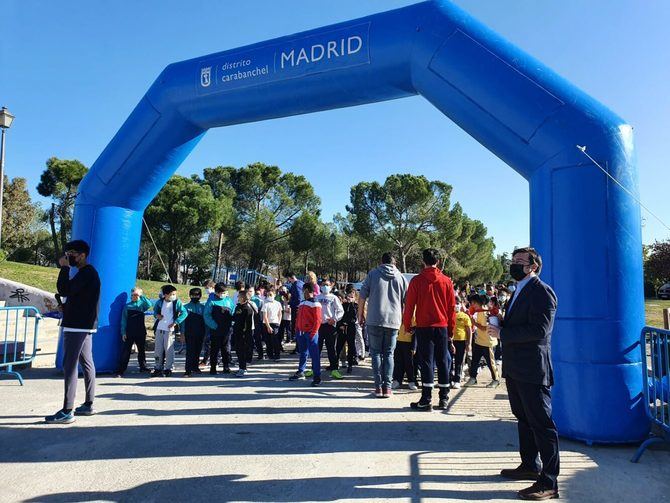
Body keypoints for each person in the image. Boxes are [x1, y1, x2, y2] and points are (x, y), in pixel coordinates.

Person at [487, 247, 560, 501]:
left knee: (542, 424)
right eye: (514, 260)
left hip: (532, 368)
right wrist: (499, 323)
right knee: (524, 419)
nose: (515, 264)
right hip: (516, 367)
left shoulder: (542, 292)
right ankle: (530, 465)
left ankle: (549, 482)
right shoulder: (517, 290)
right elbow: (520, 324)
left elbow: (540, 330)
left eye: (520, 261)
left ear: (534, 266)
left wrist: (503, 334)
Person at [46, 240, 101, 424]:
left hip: (77, 325)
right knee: (87, 363)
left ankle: (67, 410)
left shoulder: (86, 273)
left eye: (72, 253)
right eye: (67, 253)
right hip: (83, 323)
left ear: (82, 255)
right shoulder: (88, 274)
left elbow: (64, 289)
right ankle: (88, 404)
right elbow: (79, 297)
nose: (69, 257)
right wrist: (67, 307)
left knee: (69, 365)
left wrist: (64, 268)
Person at [402, 248, 456, 411]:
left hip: (424, 326)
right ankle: (444, 398)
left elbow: (409, 305)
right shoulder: (447, 281)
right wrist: (451, 330)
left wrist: (407, 325)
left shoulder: (417, 281)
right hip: (442, 326)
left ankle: (426, 399)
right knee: (443, 361)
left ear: (423, 261)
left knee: (426, 362)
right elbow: (451, 308)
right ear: (438, 261)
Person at [358, 252, 408, 398]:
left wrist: (360, 314)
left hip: (374, 318)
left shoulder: (373, 274)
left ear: (381, 261)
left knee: (375, 353)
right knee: (389, 353)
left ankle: (378, 387)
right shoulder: (401, 277)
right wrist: (405, 320)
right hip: (393, 321)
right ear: (395, 262)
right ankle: (388, 388)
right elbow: (408, 302)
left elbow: (362, 296)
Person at [289, 283, 323, 386]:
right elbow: (298, 318)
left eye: (303, 290)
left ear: (307, 290)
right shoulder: (302, 303)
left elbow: (318, 320)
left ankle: (317, 376)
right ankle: (301, 371)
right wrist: (296, 329)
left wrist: (313, 333)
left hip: (310, 333)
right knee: (303, 353)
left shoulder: (316, 303)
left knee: (314, 355)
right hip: (301, 332)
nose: (302, 292)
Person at [464, 294, 500, 388]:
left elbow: (485, 328)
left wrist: (474, 323)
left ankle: (496, 379)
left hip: (488, 342)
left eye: (473, 303)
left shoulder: (485, 312)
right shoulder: (479, 311)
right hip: (479, 341)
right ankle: (473, 378)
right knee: (475, 361)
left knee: (491, 362)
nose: (472, 305)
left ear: (478, 302)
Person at [152, 285, 188, 377]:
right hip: (160, 328)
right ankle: (157, 367)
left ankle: (168, 368)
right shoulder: (160, 302)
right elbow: (155, 311)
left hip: (170, 329)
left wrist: (176, 322)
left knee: (169, 349)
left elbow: (184, 313)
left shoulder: (177, 302)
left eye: (175, 294)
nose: (174, 296)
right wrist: (157, 315)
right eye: (172, 294)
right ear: (165, 295)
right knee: (158, 350)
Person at [116, 287, 152, 377]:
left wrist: (141, 296)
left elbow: (149, 304)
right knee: (126, 351)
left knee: (141, 350)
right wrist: (123, 332)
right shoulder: (127, 306)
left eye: (136, 295)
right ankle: (121, 370)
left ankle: (143, 366)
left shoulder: (142, 305)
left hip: (140, 331)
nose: (134, 296)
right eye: (132, 295)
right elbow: (123, 320)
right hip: (129, 331)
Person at [204, 282, 235, 375]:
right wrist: (214, 326)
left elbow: (233, 312)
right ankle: (213, 367)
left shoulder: (229, 300)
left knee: (226, 348)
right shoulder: (211, 301)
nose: (223, 294)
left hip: (227, 329)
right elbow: (206, 315)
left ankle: (226, 366)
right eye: (221, 293)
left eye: (224, 292)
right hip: (216, 329)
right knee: (215, 348)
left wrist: (232, 323)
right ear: (216, 292)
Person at [316, 279, 345, 379]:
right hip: (318, 326)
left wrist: (335, 319)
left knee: (331, 348)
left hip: (330, 326)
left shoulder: (334, 298)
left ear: (331, 287)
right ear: (320, 286)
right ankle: (314, 368)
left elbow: (340, 311)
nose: (325, 287)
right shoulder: (317, 297)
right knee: (316, 348)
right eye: (323, 285)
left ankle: (334, 369)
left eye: (327, 285)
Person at [182, 288, 206, 377]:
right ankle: (187, 370)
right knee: (190, 351)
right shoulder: (186, 307)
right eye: (192, 295)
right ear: (190, 296)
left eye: (197, 295)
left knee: (198, 350)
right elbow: (183, 322)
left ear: (200, 296)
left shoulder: (203, 307)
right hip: (189, 333)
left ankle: (195, 367)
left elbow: (205, 321)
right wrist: (182, 333)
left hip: (200, 332)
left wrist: (206, 333)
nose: (195, 297)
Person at [335, 286, 358, 375]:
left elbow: (354, 318)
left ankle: (350, 365)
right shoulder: (343, 305)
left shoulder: (355, 305)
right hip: (342, 328)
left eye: (352, 296)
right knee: (338, 347)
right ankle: (335, 364)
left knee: (351, 347)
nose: (350, 297)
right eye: (349, 295)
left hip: (351, 328)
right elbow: (339, 315)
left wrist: (352, 304)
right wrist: (340, 325)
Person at [232, 290, 255, 377]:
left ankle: (243, 369)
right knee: (238, 351)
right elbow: (234, 317)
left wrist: (245, 334)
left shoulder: (247, 309)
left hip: (243, 334)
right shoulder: (238, 307)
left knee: (242, 351)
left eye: (238, 297)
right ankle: (241, 367)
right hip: (237, 332)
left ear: (242, 298)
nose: (237, 298)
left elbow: (248, 325)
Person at [450, 299, 472, 388]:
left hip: (461, 341)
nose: (456, 305)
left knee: (459, 361)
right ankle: (449, 379)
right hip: (450, 341)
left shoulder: (464, 316)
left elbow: (469, 330)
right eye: (454, 303)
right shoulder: (449, 315)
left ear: (461, 304)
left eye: (458, 303)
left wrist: (469, 343)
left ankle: (457, 380)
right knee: (449, 361)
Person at [391, 319, 418, 390]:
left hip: (409, 342)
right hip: (398, 341)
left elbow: (415, 331)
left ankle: (411, 381)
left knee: (409, 364)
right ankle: (397, 380)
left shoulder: (413, 314)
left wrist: (414, 346)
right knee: (398, 362)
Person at [261, 284, 283, 361]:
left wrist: (279, 323)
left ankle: (277, 355)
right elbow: (265, 316)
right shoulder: (265, 303)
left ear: (274, 294)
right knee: (268, 341)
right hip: (267, 324)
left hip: (275, 323)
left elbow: (280, 313)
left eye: (271, 294)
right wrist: (268, 326)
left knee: (275, 341)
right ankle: (270, 355)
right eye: (268, 294)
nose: (269, 296)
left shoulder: (278, 303)